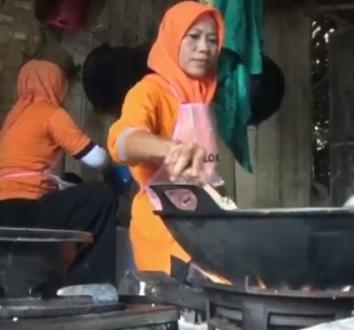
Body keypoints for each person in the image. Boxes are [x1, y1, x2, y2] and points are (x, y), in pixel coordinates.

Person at [107, 1, 226, 280]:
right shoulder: (149, 91)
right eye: (193, 37)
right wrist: (170, 149)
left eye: (212, 39)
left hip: (204, 218)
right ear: (173, 38)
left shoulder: (205, 95)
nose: (204, 48)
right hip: (163, 222)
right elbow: (122, 141)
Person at [0, 45, 118, 287]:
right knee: (102, 196)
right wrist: (113, 165)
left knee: (72, 184)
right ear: (58, 81)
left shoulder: (14, 116)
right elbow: (95, 158)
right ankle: (88, 282)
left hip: (5, 210)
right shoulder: (50, 113)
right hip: (27, 210)